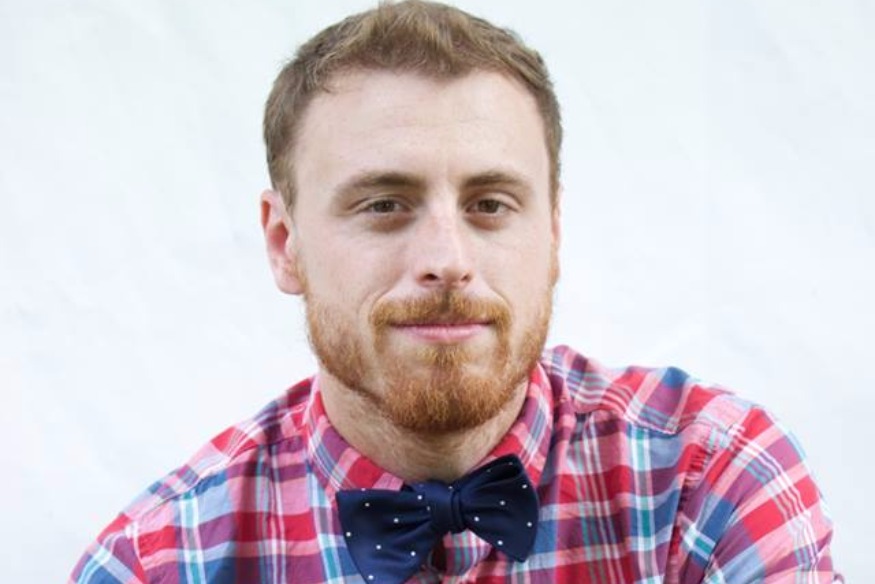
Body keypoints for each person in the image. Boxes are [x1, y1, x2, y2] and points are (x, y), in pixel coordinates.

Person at [70, 1, 839, 582]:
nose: (446, 260)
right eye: (383, 204)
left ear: (552, 234)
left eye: (490, 204)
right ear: (283, 243)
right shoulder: (155, 562)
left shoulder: (709, 480)